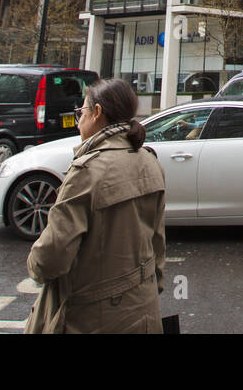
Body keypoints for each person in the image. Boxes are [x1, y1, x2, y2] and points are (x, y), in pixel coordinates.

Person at [24, 78, 167, 334]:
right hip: (143, 310)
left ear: (97, 113)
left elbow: (50, 259)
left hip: (93, 318)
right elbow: (157, 241)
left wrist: (34, 265)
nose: (79, 119)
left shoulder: (86, 172)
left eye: (81, 111)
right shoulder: (149, 161)